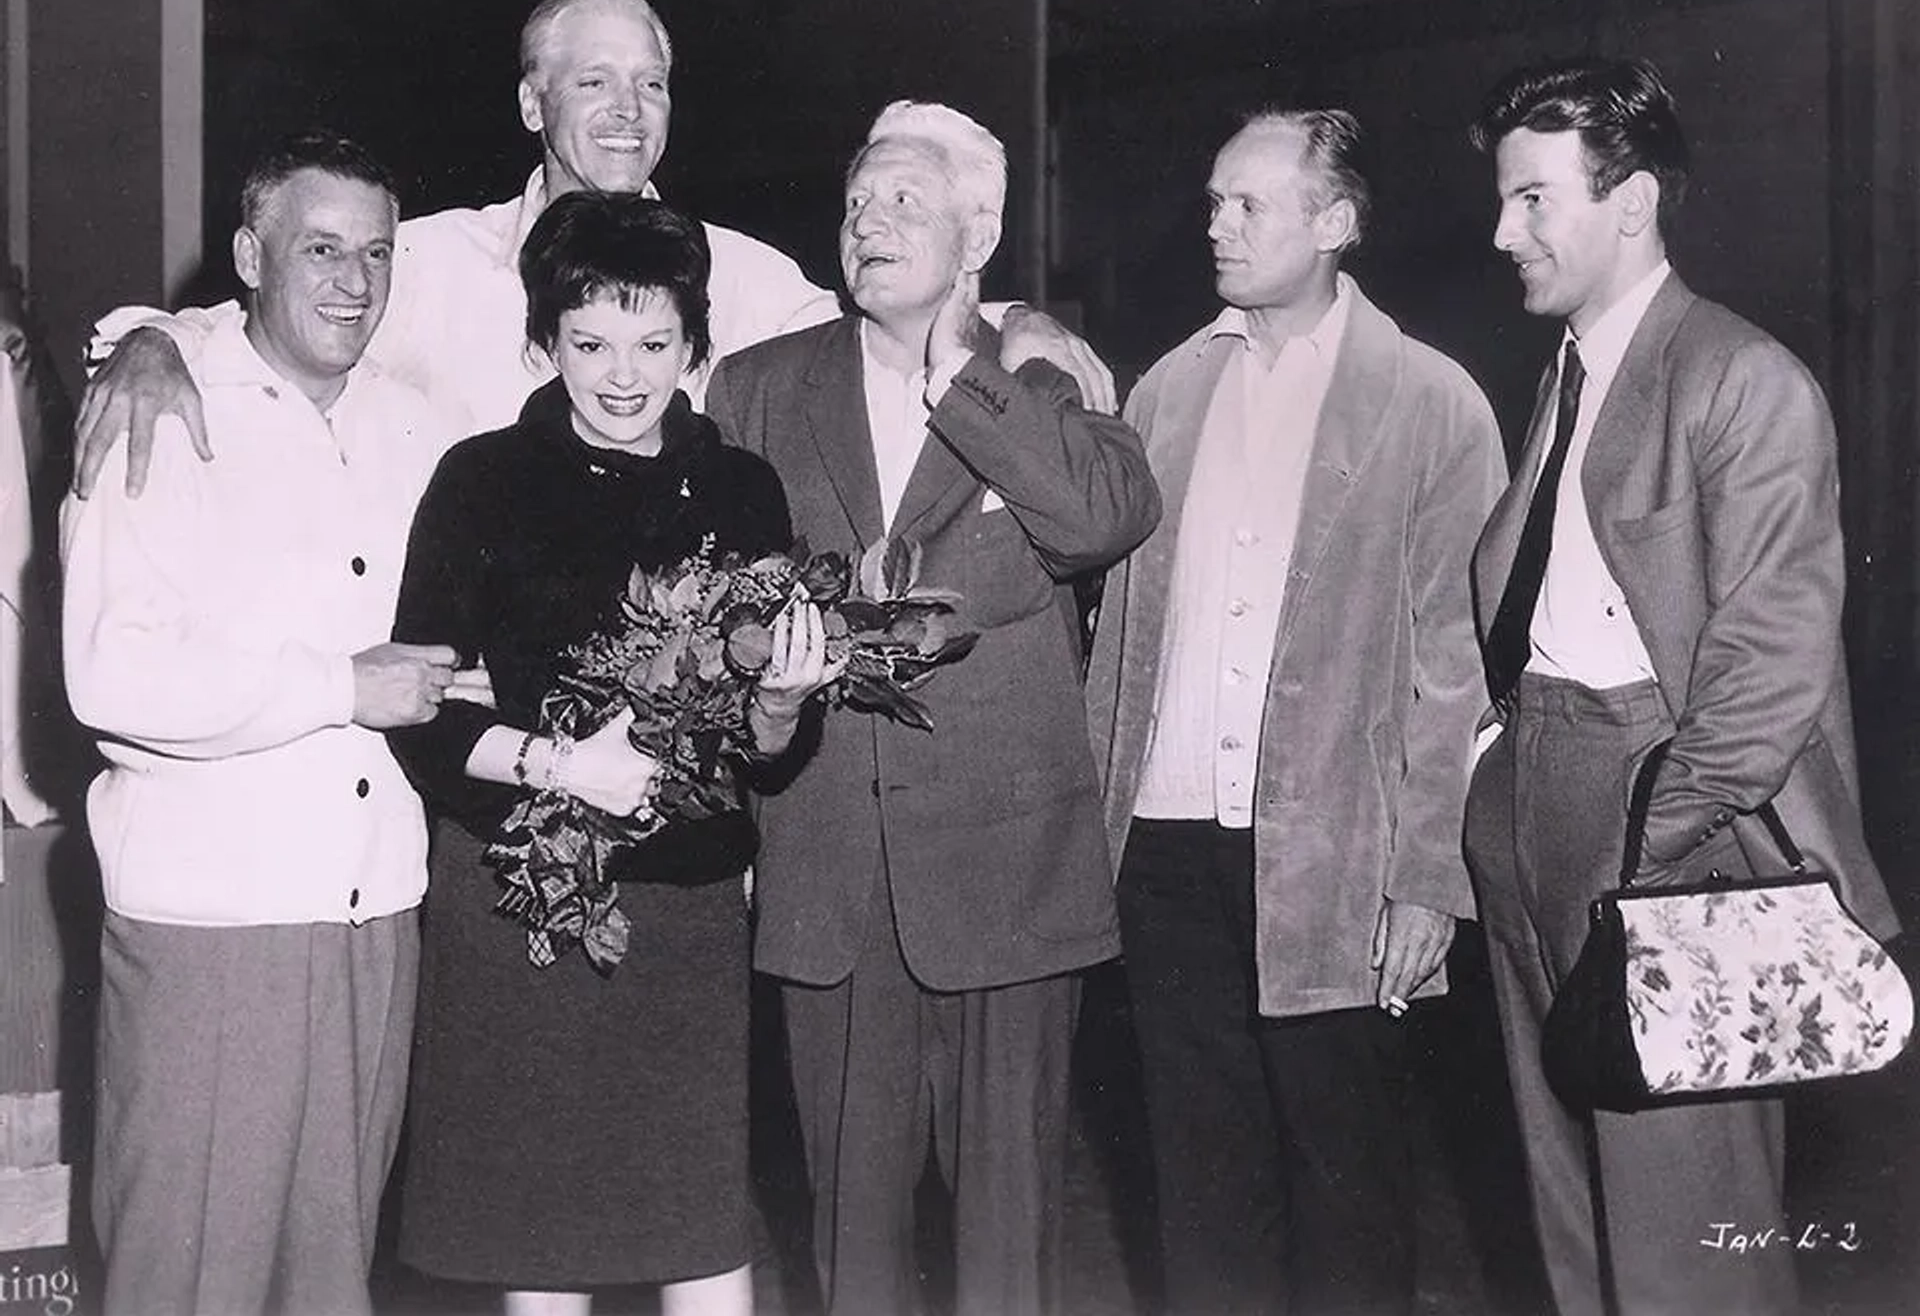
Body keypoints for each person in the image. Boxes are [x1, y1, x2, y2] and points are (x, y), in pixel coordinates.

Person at [703, 101, 1160, 1316]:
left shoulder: (1041, 375)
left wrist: (963, 368)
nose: (870, 220)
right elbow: (705, 601)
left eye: (907, 199)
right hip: (828, 873)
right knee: (850, 1236)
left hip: (1011, 874)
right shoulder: (754, 388)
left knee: (1011, 1242)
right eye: (858, 202)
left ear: (980, 237)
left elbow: (1104, 519)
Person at [1463, 56, 1899, 1316]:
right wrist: (1495, 786)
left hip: (1667, 826)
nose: (1504, 232)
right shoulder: (1565, 376)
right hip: (1533, 805)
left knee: (1687, 1251)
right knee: (1572, 1230)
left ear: (1634, 202)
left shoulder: (1742, 380)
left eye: (1535, 199)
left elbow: (1770, 678)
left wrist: (1635, 842)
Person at [73, 0, 1114, 495]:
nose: (627, 110)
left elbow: (890, 326)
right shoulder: (428, 263)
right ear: (532, 106)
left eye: (650, 83)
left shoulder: (742, 277)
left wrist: (1015, 313)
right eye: (593, 82)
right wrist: (151, 342)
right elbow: (262, 321)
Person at [1084, 109, 1506, 1316]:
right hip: (1164, 851)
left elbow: (1457, 664)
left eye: (1247, 205)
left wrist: (1430, 875)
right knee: (1201, 1184)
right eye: (1213, 200)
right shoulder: (1167, 388)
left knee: (1349, 1182)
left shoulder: (1433, 402)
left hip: (1335, 862)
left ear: (1335, 224)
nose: (1214, 225)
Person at [385, 193, 836, 1316]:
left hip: (683, 920)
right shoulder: (478, 480)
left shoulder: (742, 489)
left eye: (654, 344)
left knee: (698, 1233)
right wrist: (557, 763)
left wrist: (781, 701)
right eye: (589, 343)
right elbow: (423, 715)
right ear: (545, 341)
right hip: (519, 914)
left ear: (698, 344)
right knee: (542, 1250)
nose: (622, 376)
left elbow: (772, 755)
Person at [59, 132, 469, 1316]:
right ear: (248, 254)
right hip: (213, 931)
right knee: (184, 1280)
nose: (354, 281)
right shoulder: (160, 396)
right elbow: (111, 675)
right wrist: (341, 686)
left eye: (377, 255)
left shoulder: (418, 424)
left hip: (375, 917)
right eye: (321, 249)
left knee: (330, 1282)